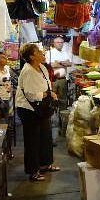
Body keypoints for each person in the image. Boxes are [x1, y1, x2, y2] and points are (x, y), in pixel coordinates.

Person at [15, 44, 60, 182]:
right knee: (33, 140)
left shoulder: (42, 67)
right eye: (39, 52)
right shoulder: (28, 70)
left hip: (41, 107)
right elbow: (30, 94)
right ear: (32, 56)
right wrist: (47, 93)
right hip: (28, 108)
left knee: (45, 136)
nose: (42, 53)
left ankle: (45, 164)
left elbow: (46, 86)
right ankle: (33, 171)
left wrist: (49, 93)